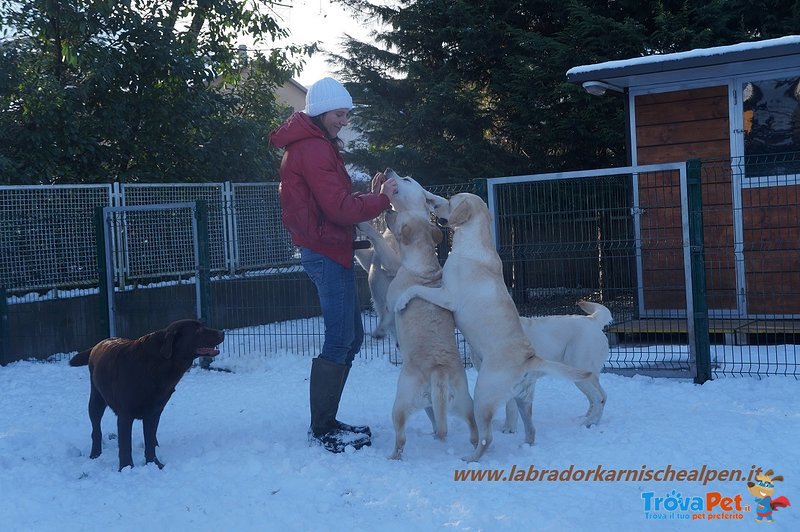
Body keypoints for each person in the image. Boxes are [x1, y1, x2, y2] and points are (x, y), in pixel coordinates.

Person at [269, 77, 397, 453]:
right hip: (325, 252)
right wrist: (382, 202)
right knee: (341, 339)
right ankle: (323, 427)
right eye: (340, 114)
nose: (344, 120)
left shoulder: (313, 145)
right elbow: (339, 209)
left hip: (328, 248)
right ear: (323, 112)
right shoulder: (313, 149)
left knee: (351, 337)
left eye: (346, 114)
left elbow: (334, 199)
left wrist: (371, 197)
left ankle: (327, 420)